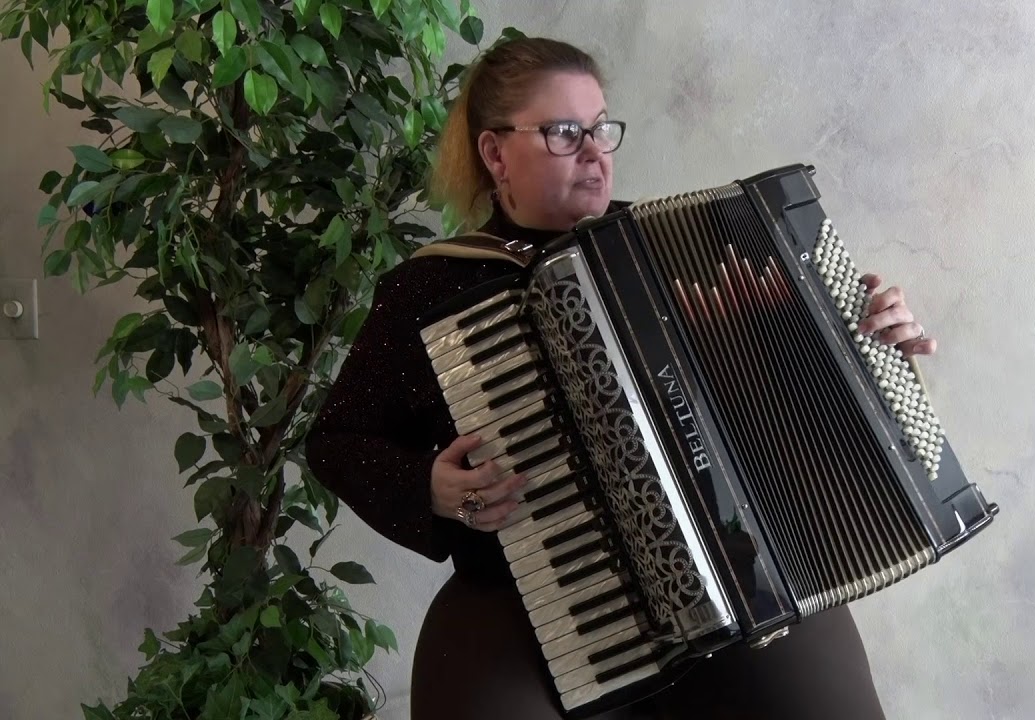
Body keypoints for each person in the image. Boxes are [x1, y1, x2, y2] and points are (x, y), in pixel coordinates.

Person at [305, 36, 937, 720]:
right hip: (532, 587)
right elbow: (336, 441)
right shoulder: (428, 288)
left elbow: (787, 393)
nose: (595, 151)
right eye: (563, 133)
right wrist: (431, 486)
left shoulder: (673, 245)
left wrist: (868, 341)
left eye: (601, 128)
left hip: (731, 572)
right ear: (495, 154)